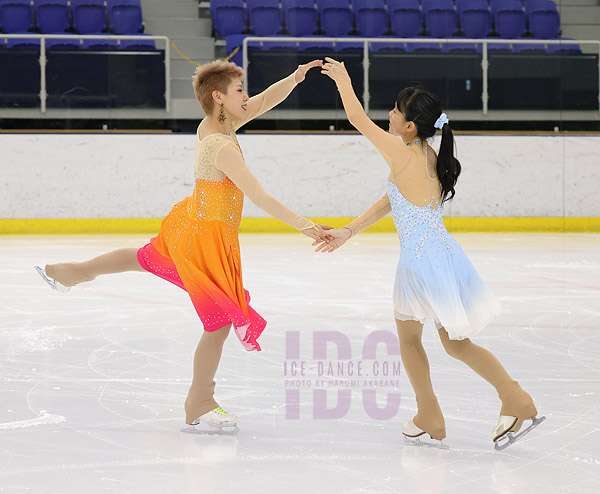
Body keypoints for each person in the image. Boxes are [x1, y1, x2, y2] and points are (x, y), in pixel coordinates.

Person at [35, 59, 327, 435]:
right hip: (202, 240)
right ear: (219, 97)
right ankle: (200, 402)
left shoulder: (216, 122)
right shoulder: (222, 145)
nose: (247, 96)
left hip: (192, 225)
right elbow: (260, 196)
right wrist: (307, 227)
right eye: (240, 89)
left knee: (143, 258)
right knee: (220, 320)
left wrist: (296, 77)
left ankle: (72, 272)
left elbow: (266, 100)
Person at [314, 57, 544, 449]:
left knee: (411, 340)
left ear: (409, 126)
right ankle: (511, 398)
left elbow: (356, 118)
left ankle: (435, 412)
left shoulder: (400, 151)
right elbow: (394, 199)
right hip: (442, 256)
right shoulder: (426, 156)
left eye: (395, 110)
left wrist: (343, 80)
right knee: (454, 344)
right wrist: (350, 230)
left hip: (421, 262)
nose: (387, 114)